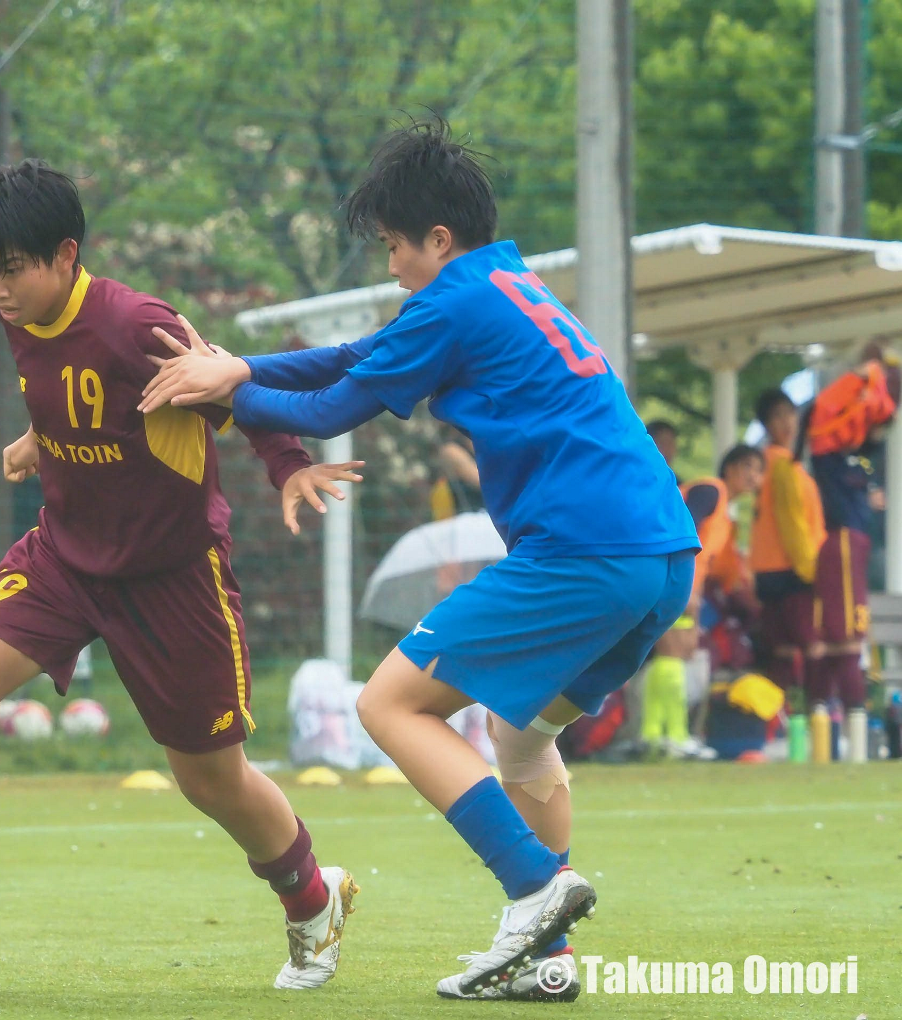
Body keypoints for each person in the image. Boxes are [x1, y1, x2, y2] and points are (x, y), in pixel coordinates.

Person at [139, 119, 698, 1002]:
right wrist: (238, 365)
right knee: (523, 732)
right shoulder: (506, 283)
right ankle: (546, 957)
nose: (392, 264)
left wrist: (232, 388)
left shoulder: (453, 302)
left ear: (439, 239)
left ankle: (534, 887)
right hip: (662, 555)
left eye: (397, 246)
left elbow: (327, 409)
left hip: (587, 551)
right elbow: (356, 358)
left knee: (389, 702)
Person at [0, 160, 365, 989]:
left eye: (11, 269)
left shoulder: (136, 323)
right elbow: (88, 400)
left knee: (209, 778)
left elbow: (232, 390)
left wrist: (290, 464)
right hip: (64, 557)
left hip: (170, 578)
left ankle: (311, 897)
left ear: (66, 255)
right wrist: (42, 438)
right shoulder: (20, 315)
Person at [802, 347, 899, 761]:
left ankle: (848, 736)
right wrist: (862, 376)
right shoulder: (828, 448)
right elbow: (827, 406)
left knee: (846, 638)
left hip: (853, 544)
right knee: (843, 638)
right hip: (841, 542)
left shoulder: (859, 453)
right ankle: (841, 735)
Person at [643, 444, 764, 756]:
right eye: (749, 467)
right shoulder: (712, 489)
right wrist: (688, 588)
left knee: (670, 654)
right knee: (676, 648)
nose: (755, 476)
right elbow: (686, 526)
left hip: (671, 578)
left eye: (759, 470)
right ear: (732, 468)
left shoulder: (727, 514)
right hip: (669, 576)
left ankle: (654, 735)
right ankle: (676, 736)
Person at [748, 389, 825, 701]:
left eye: (790, 414)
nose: (787, 422)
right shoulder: (782, 465)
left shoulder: (762, 464)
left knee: (779, 652)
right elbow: (793, 525)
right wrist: (812, 571)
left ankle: (774, 719)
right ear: (767, 424)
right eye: (778, 416)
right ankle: (821, 713)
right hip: (793, 570)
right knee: (813, 647)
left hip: (765, 572)